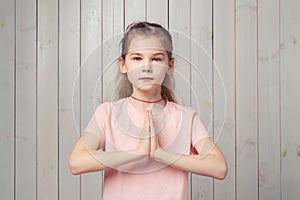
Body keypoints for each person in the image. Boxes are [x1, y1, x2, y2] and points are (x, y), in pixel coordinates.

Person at [69, 21, 227, 200]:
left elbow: (219, 167)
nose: (146, 67)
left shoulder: (186, 117)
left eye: (156, 58)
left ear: (170, 65)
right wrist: (137, 153)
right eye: (137, 58)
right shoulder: (107, 113)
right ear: (123, 64)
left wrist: (161, 155)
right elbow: (76, 162)